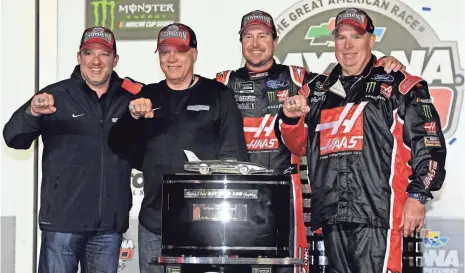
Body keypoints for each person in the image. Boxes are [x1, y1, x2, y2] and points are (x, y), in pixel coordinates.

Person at [215, 9, 406, 273]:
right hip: (235, 194)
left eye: (263, 36)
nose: (256, 44)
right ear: (241, 42)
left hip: (284, 190)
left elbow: (349, 79)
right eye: (249, 37)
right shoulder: (222, 82)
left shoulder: (301, 79)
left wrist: (383, 64)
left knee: (289, 266)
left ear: (275, 41)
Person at [275, 8, 447, 273]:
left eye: (355, 37)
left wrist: (419, 194)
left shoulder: (398, 84)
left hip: (381, 215)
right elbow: (299, 146)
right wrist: (289, 117)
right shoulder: (316, 91)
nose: (347, 45)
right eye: (341, 38)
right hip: (332, 214)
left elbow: (429, 142)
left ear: (371, 39)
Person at [108, 23, 248, 273]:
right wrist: (131, 115)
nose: (171, 59)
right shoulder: (145, 96)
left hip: (204, 224)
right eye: (164, 52)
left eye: (180, 51)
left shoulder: (218, 94)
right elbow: (117, 145)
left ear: (194, 54)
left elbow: (234, 158)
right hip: (153, 222)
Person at [3, 26, 143, 273]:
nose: (96, 61)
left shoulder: (130, 98)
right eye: (89, 53)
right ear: (79, 57)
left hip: (107, 228)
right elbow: (13, 137)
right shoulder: (56, 95)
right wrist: (32, 113)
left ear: (115, 60)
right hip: (61, 226)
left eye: (104, 54)